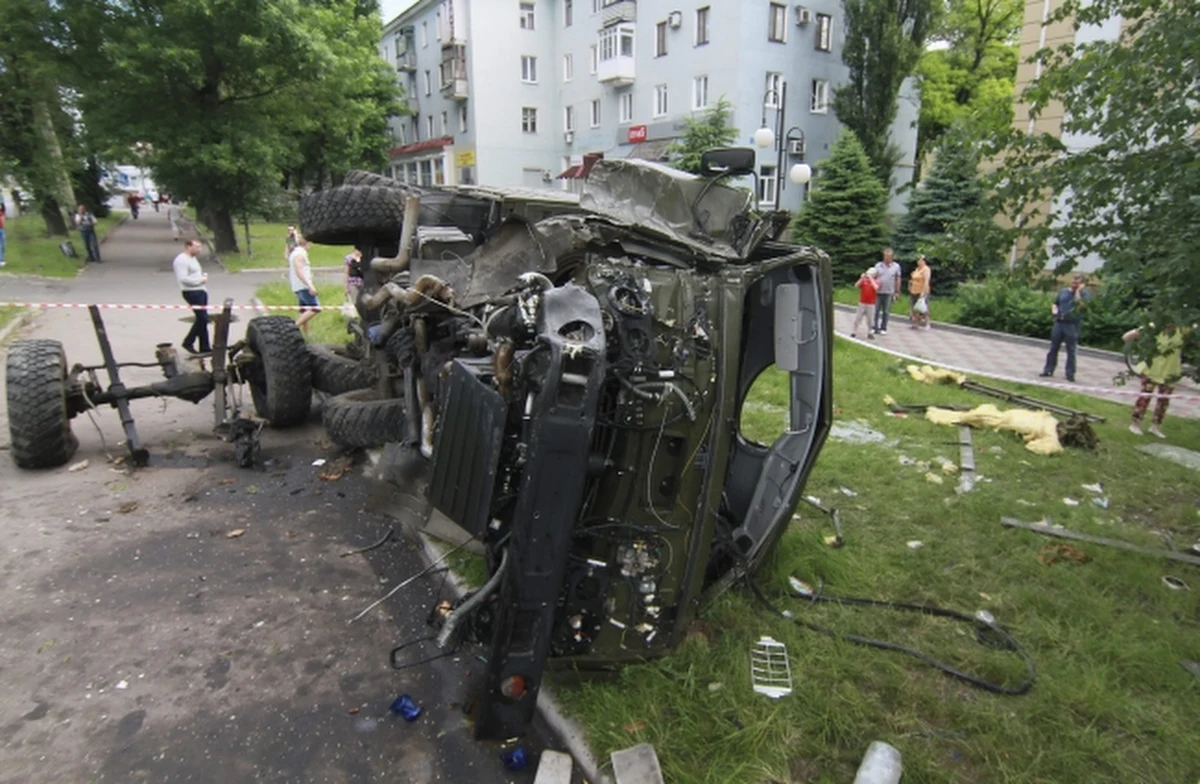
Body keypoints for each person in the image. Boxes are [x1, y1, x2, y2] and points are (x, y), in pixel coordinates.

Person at [1124, 324, 1188, 438]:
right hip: (1151, 369)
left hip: (1170, 372)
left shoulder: (1182, 329)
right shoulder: (1154, 326)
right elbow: (1126, 336)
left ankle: (1155, 426)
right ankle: (1135, 424)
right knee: (1145, 397)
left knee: (1164, 401)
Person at [1039, 274, 1089, 382]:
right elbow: (1055, 303)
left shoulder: (1084, 294)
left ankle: (1070, 373)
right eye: (1073, 282)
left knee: (1071, 349)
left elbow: (1079, 303)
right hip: (1059, 322)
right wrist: (1054, 310)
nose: (1074, 284)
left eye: (1077, 283)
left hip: (1072, 325)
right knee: (1053, 347)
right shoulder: (1063, 291)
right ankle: (1048, 369)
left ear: (1082, 284)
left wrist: (1078, 291)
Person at [172, 238, 210, 354]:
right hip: (192, 291)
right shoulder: (182, 260)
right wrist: (200, 281)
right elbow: (183, 279)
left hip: (200, 290)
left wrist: (202, 278)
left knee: (202, 319)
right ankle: (188, 341)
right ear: (189, 246)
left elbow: (194, 274)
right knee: (202, 318)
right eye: (197, 247)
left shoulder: (192, 259)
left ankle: (205, 347)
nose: (199, 249)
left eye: (200, 247)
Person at [289, 234, 320, 334]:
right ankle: (293, 328)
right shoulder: (300, 254)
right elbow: (299, 271)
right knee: (315, 308)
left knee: (304, 310)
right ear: (308, 243)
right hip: (303, 286)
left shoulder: (294, 253)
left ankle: (307, 333)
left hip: (298, 286)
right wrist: (310, 285)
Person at [872, 248, 901, 334]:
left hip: (889, 292)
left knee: (886, 311)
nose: (887, 258)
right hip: (878, 291)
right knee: (876, 310)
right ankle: (874, 327)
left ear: (892, 257)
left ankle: (883, 327)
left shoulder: (896, 266)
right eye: (885, 256)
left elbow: (898, 279)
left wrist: (897, 291)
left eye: (888, 256)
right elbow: (873, 276)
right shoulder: (878, 265)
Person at [850, 267, 878, 339]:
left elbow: (876, 288)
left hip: (871, 303)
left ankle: (870, 332)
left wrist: (871, 279)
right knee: (858, 317)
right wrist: (861, 278)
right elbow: (856, 285)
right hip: (862, 302)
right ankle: (854, 331)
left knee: (870, 319)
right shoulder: (864, 281)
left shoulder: (876, 281)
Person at [908, 255, 932, 330]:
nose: (919, 262)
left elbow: (926, 281)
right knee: (914, 308)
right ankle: (916, 323)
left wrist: (923, 292)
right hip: (914, 290)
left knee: (923, 308)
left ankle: (927, 323)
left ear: (924, 261)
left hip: (922, 291)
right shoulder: (917, 269)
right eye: (918, 260)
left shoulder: (926, 269)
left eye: (921, 260)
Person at [0, 202, 6, 268]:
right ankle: (1, 260)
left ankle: (1, 259)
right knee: (0, 246)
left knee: (3, 244)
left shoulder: (2, 212)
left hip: (2, 229)